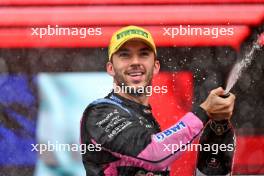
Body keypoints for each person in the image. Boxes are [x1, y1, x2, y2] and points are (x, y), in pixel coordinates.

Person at [80, 25, 236, 176]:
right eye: (125, 55)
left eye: (143, 54)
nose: (135, 62)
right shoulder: (98, 113)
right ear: (110, 68)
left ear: (155, 67)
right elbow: (154, 154)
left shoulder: (147, 120)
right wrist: (204, 112)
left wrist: (219, 126)